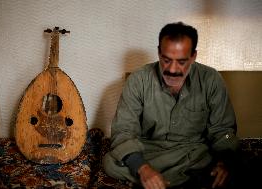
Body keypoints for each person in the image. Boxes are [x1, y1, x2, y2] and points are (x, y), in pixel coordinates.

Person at [103, 22, 240, 189]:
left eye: (181, 61)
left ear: (193, 56)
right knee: (111, 162)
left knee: (236, 165)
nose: (173, 69)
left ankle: (166, 181)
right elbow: (124, 130)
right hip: (149, 151)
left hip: (193, 153)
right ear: (159, 53)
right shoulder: (139, 80)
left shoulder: (210, 79)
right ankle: (177, 179)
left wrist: (224, 163)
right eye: (166, 60)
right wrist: (143, 169)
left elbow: (222, 130)